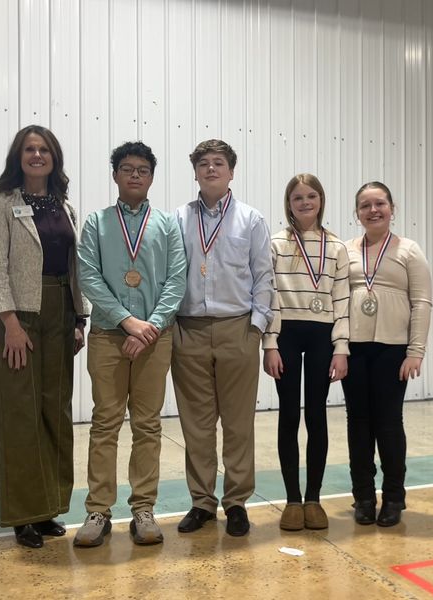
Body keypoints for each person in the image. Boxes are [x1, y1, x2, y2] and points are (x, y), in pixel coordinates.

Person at [0, 125, 88, 548]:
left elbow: (74, 268)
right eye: (30, 149)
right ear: (18, 157)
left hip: (61, 312)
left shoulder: (65, 207)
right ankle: (23, 515)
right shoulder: (1, 204)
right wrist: (10, 323)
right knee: (19, 414)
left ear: (54, 158)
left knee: (54, 411)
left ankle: (47, 509)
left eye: (44, 150)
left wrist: (79, 319)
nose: (37, 155)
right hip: (19, 317)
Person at [74, 142, 187, 547]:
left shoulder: (167, 225)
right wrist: (128, 322)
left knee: (147, 424)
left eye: (142, 169)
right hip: (108, 335)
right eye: (127, 168)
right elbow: (88, 276)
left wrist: (151, 327)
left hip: (156, 339)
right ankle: (98, 511)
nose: (135, 175)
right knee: (105, 422)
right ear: (115, 175)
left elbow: (177, 279)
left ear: (152, 177)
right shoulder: (96, 223)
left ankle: (143, 509)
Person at [172, 139, 274, 537]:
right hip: (189, 329)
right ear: (195, 171)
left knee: (237, 423)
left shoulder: (250, 220)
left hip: (238, 328)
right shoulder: (177, 218)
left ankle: (236, 503)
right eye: (203, 163)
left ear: (232, 172)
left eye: (219, 163)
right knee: (196, 425)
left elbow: (264, 274)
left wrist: (257, 328)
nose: (211, 169)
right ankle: (201, 502)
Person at [342, 181, 432, 527]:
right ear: (357, 213)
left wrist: (416, 351)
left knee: (389, 423)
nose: (373, 210)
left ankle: (394, 496)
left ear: (392, 209)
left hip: (393, 349)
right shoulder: (346, 250)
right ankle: (363, 496)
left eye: (380, 203)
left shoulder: (409, 250)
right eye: (365, 205)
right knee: (357, 423)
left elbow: (422, 301)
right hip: (354, 349)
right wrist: (340, 347)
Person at [263, 174, 350, 531]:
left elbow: (342, 301)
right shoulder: (276, 244)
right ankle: (292, 500)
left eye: (311, 196)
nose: (304, 202)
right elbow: (269, 294)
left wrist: (341, 347)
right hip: (286, 335)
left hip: (321, 336)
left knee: (316, 415)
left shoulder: (337, 247)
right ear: (289, 203)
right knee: (288, 415)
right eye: (297, 197)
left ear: (321, 200)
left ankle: (313, 498)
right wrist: (270, 343)